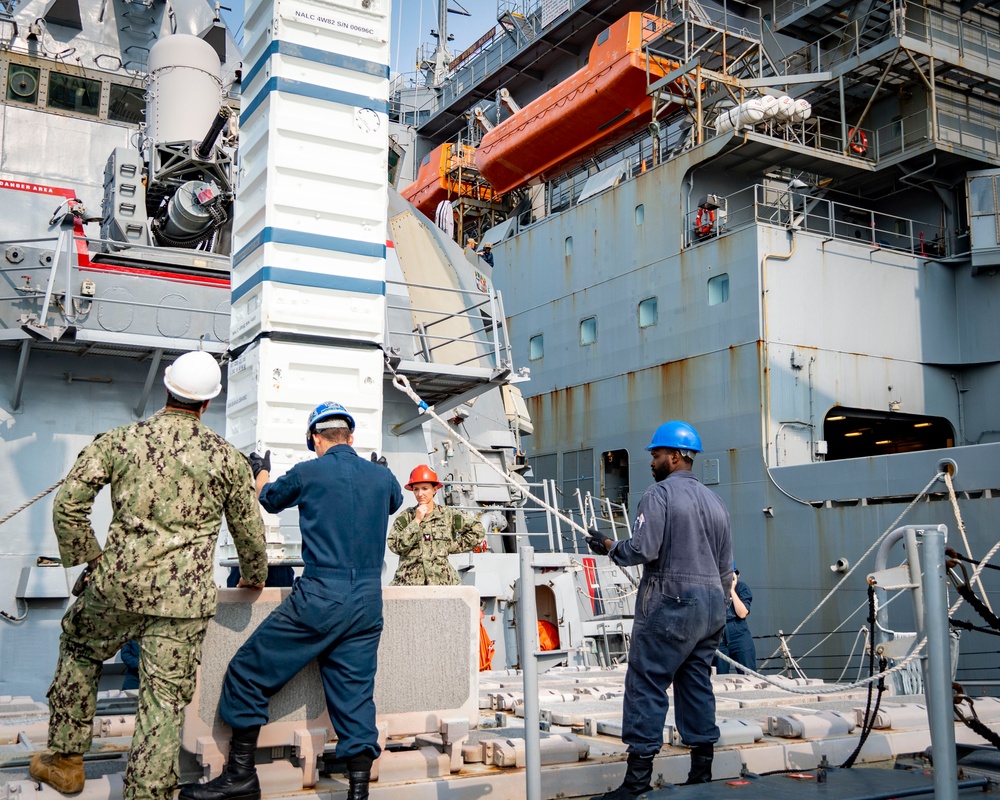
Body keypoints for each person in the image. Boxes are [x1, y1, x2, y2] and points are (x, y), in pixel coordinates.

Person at [31, 351, 268, 800]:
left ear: (167, 388)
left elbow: (69, 505)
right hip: (184, 603)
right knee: (163, 698)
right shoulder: (227, 458)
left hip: (116, 587)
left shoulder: (119, 441)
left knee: (80, 648)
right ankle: (147, 792)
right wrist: (253, 576)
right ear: (207, 404)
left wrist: (93, 559)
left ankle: (65, 762)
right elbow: (249, 534)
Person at [180, 401, 403, 800]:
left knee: (247, 672)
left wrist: (259, 472)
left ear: (315, 438)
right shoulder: (381, 477)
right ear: (351, 437)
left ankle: (241, 777)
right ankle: (358, 792)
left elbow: (269, 499)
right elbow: (393, 500)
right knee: (354, 696)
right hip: (368, 603)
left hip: (321, 597)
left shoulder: (308, 472)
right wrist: (380, 471)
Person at [586, 421, 732, 798]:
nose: (651, 462)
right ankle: (702, 773)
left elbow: (642, 550)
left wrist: (607, 544)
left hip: (671, 602)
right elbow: (725, 568)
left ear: (674, 456)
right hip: (713, 605)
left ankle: (635, 783)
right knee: (696, 683)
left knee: (646, 682)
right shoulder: (716, 502)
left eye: (655, 455)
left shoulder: (659, 495)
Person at [388, 465, 484, 586]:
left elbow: (477, 530)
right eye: (416, 489)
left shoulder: (448, 515)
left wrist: (450, 546)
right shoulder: (406, 517)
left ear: (434, 490)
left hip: (441, 582)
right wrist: (416, 521)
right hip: (409, 584)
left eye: (424, 488)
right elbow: (395, 546)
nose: (420, 493)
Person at [715, 564, 754, 675]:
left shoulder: (742, 588)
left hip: (739, 635)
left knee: (748, 672)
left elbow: (742, 613)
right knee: (720, 674)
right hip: (719, 635)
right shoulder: (713, 590)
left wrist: (732, 590)